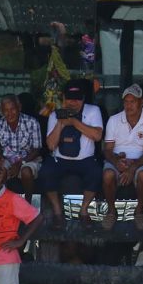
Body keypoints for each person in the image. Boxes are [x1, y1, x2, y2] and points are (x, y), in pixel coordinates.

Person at [39, 82, 104, 230]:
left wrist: (74, 122)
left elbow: (97, 135)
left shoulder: (93, 111)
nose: (73, 103)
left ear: (83, 99)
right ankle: (57, 212)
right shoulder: (55, 114)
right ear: (63, 98)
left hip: (85, 159)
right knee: (46, 172)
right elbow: (50, 145)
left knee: (96, 173)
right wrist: (61, 124)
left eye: (77, 99)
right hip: (60, 159)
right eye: (69, 99)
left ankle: (84, 210)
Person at [101, 83, 143, 230]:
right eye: (126, 102)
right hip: (118, 158)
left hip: (141, 161)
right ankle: (111, 212)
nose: (128, 105)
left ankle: (139, 211)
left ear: (142, 102)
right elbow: (107, 150)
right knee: (107, 175)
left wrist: (132, 168)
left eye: (132, 101)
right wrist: (117, 162)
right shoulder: (114, 120)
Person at [0, 94, 43, 203]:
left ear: (19, 107)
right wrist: (1, 161)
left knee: (26, 172)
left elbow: (37, 150)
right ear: (1, 111)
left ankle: (27, 204)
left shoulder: (32, 122)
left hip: (28, 159)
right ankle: (1, 206)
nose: (10, 113)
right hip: (8, 159)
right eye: (6, 110)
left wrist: (20, 163)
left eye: (13, 109)